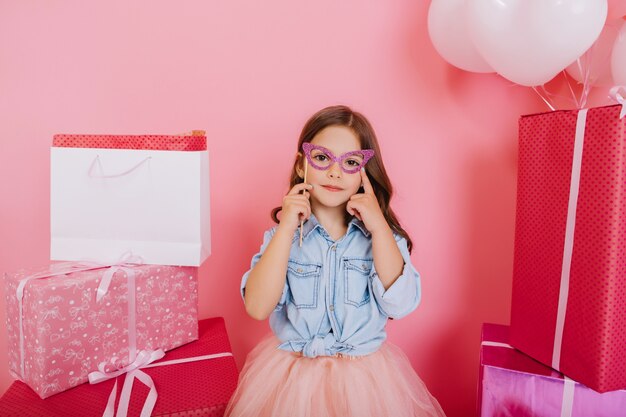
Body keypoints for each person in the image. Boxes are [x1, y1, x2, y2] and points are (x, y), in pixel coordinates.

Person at [225, 105, 446, 417]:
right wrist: (287, 227)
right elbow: (257, 307)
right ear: (302, 165)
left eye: (351, 162)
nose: (335, 171)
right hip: (292, 383)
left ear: (364, 174)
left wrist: (379, 226)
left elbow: (400, 304)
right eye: (321, 157)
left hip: (365, 381)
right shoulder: (281, 238)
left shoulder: (383, 239)